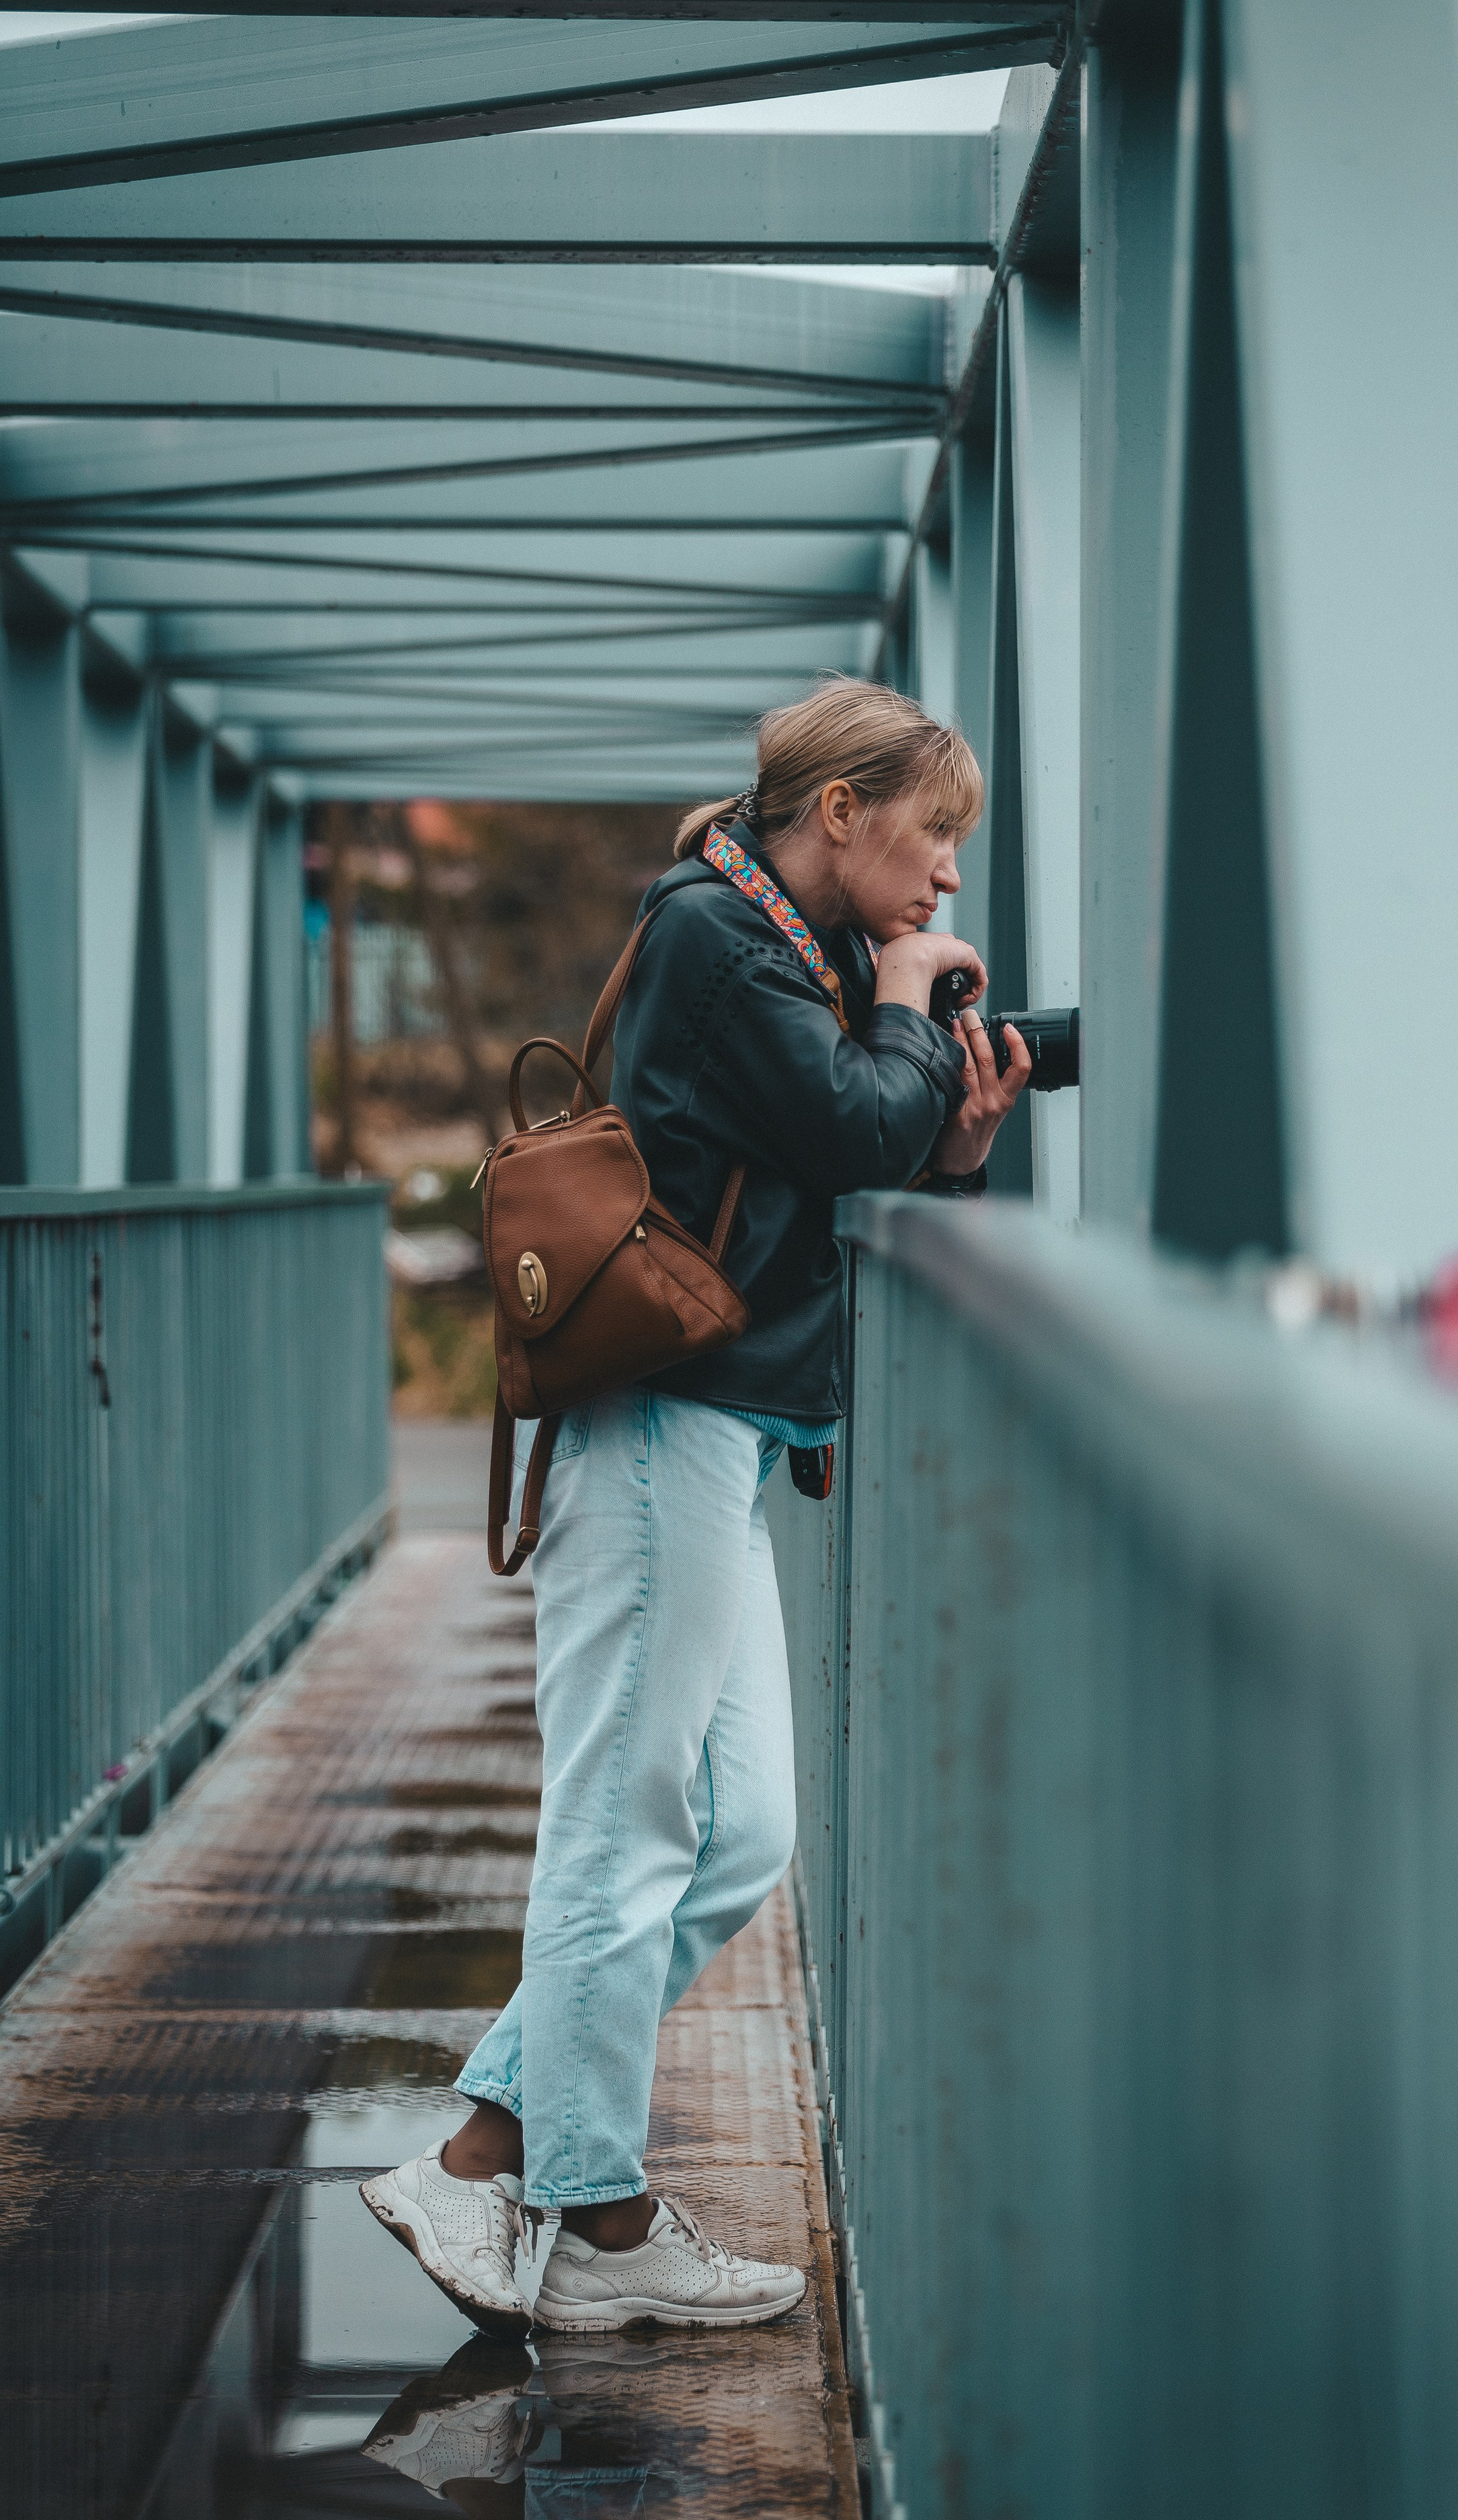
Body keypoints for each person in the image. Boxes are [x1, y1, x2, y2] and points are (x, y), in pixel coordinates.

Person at [361, 677, 1030, 2336]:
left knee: (736, 1835)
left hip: (716, 1432)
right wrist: (899, 1017)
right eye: (933, 836)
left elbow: (846, 1139)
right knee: (623, 1818)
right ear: (838, 816)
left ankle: (484, 2153)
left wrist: (937, 1127)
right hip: (662, 1423)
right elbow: (852, 1114)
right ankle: (587, 2213)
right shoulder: (720, 943)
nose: (947, 878)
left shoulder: (765, 948)